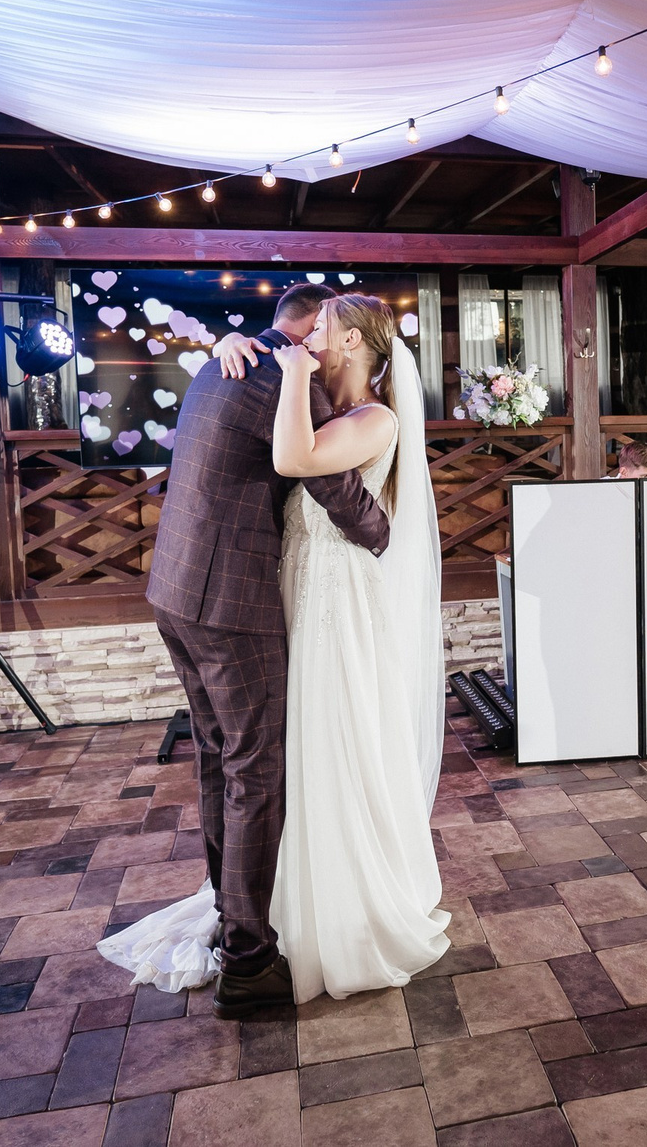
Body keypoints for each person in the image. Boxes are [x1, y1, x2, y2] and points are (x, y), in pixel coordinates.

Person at [101, 289, 450, 1010]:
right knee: (254, 768)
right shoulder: (279, 376)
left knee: (250, 758)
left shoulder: (272, 375)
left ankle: (248, 919)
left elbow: (321, 477)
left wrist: (382, 533)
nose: (312, 340)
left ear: (349, 340)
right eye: (311, 328)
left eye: (325, 330)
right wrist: (376, 529)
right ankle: (248, 951)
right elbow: (320, 480)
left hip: (228, 593)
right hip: (243, 598)